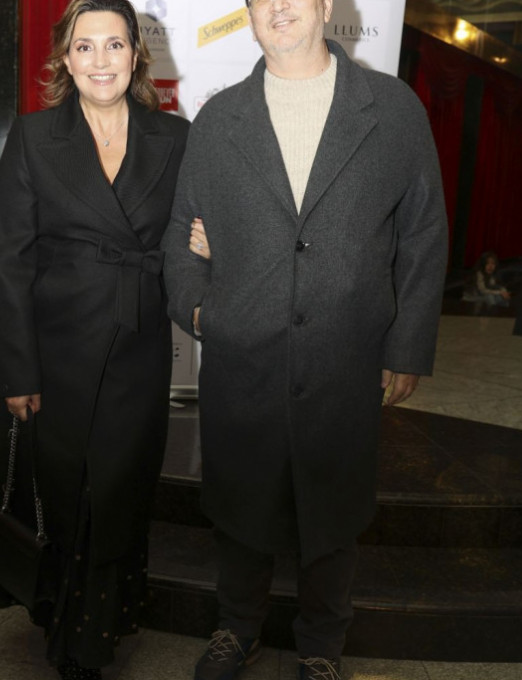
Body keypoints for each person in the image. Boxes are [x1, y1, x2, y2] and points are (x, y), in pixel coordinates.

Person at [162, 1, 447, 679]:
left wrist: (407, 346)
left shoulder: (393, 108)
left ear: (325, 6)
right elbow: (180, 233)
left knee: (334, 511)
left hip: (346, 357)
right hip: (242, 355)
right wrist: (199, 312)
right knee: (240, 504)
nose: (280, 6)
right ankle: (237, 628)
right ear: (250, 15)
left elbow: (423, 232)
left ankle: (322, 646)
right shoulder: (218, 118)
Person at [0, 1, 189, 678]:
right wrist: (17, 371)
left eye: (115, 45)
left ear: (136, 55)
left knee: (119, 492)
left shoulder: (175, 136)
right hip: (56, 354)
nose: (101, 60)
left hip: (139, 347)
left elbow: (190, 233)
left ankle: (105, 624)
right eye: (85, 46)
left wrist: (207, 245)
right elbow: (9, 261)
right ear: (65, 59)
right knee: (70, 495)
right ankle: (72, 638)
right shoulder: (35, 137)